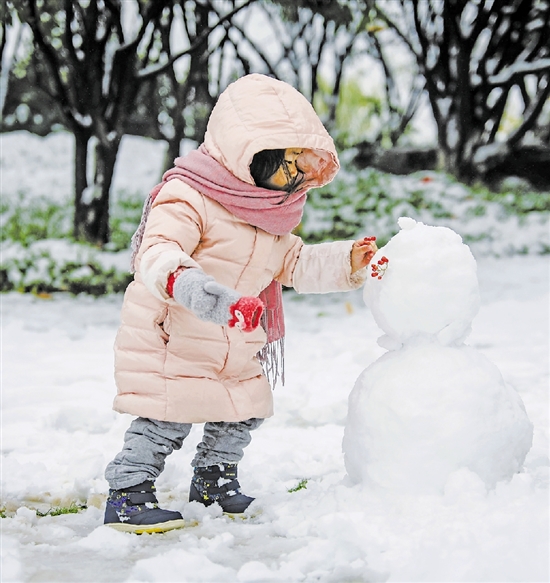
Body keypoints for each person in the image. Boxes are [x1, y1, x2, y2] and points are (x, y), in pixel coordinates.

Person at [103, 73, 377, 534]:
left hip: (235, 336)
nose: (294, 180)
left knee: (242, 410)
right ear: (251, 150)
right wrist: (200, 291)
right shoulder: (189, 194)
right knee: (165, 418)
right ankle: (128, 494)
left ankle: (214, 481)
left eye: (301, 169)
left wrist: (348, 259)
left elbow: (295, 264)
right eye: (289, 165)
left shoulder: (269, 214)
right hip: (177, 331)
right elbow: (160, 251)